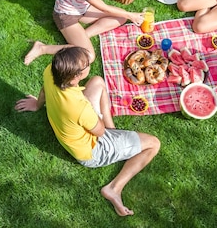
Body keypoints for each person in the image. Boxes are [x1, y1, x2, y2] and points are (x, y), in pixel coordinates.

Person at [15, 47, 160, 216]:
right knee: (153, 144)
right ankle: (114, 188)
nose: (89, 62)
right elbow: (99, 131)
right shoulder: (80, 107)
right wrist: (93, 113)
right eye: (86, 64)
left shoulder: (50, 71)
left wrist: (37, 105)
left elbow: (45, 90)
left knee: (98, 81)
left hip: (72, 126)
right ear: (76, 76)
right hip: (93, 150)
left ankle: (115, 134)